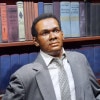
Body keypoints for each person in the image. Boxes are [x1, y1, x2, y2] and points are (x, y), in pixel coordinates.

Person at [2, 13, 100, 100]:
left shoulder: (80, 60)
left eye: (56, 30)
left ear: (62, 35)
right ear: (35, 41)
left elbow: (97, 93)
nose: (53, 36)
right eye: (45, 33)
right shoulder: (23, 77)